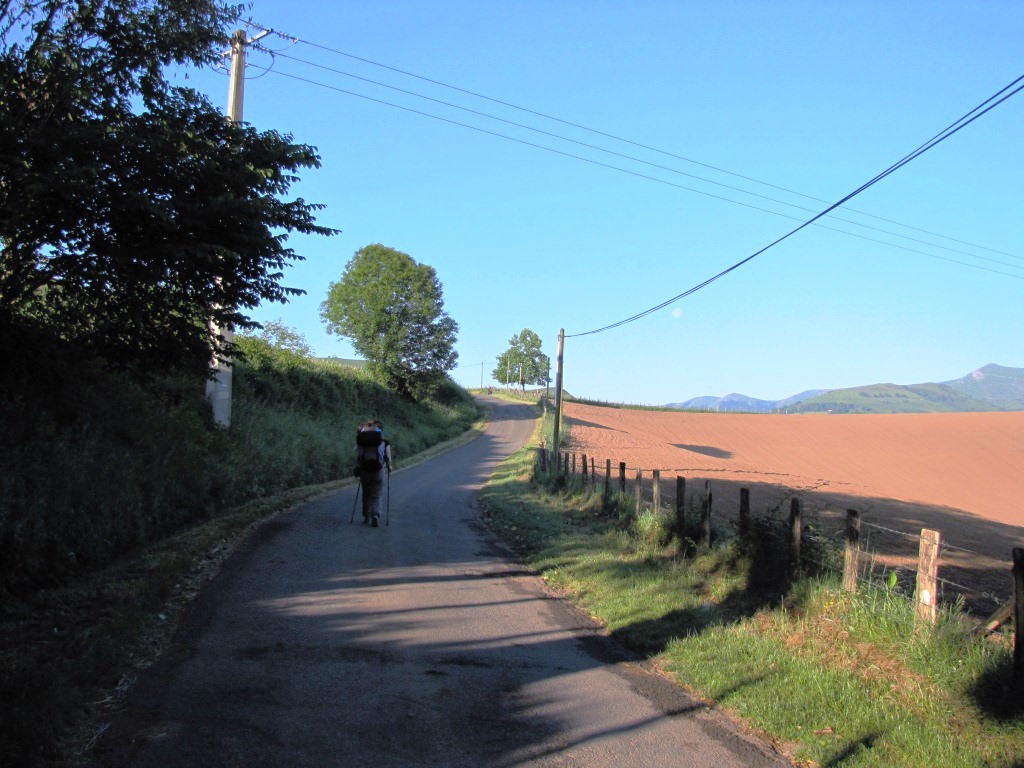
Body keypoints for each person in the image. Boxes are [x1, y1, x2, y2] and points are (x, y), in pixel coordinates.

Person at [356, 419, 392, 527]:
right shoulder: (381, 441)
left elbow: (359, 456)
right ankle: (375, 515)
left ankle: (367, 516)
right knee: (376, 494)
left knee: (366, 493)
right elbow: (387, 458)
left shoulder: (362, 441)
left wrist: (359, 467)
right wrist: (389, 467)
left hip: (365, 469)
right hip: (378, 469)